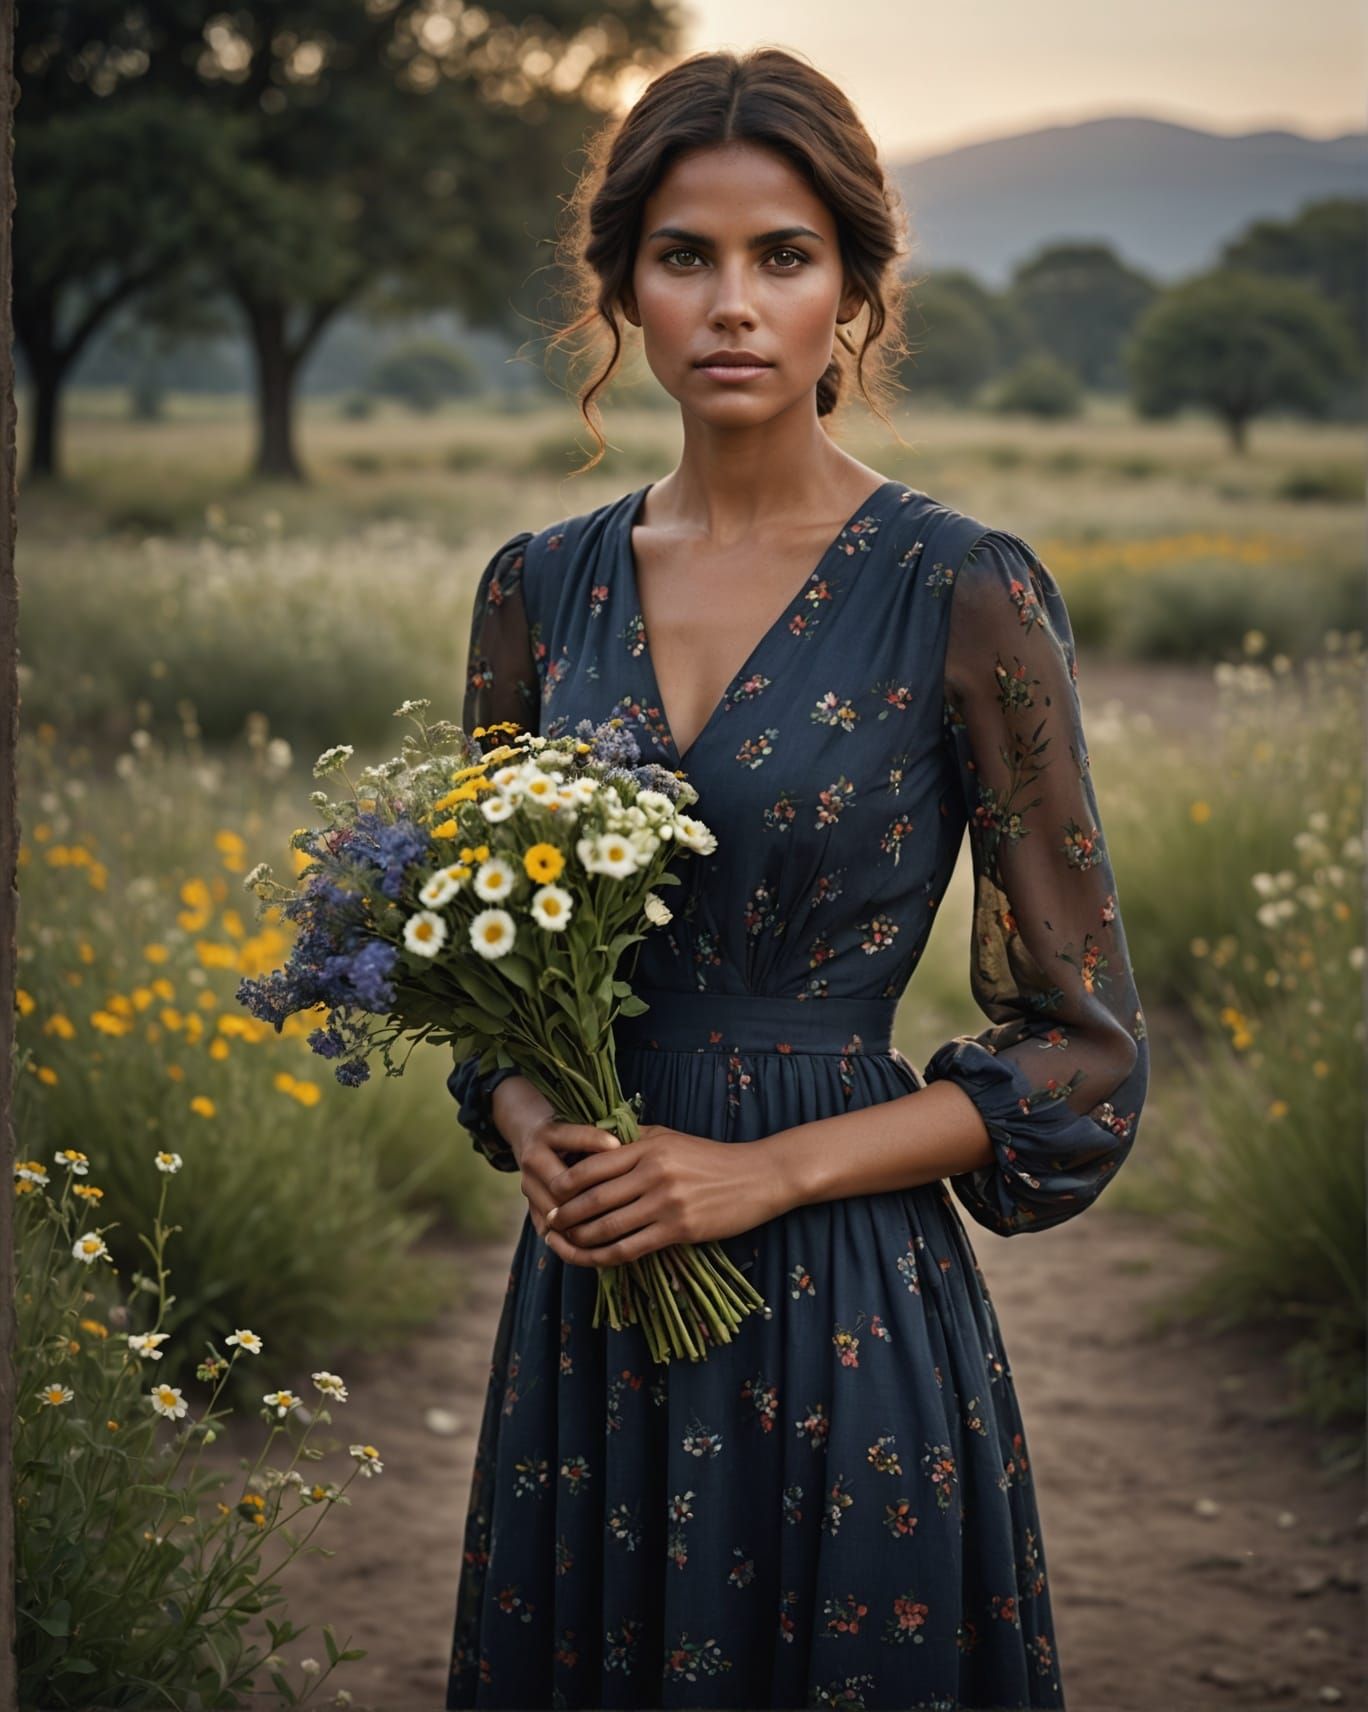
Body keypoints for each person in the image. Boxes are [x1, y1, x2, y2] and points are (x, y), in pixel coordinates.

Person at [444, 45, 1149, 1712]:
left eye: (784, 256)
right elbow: (481, 973)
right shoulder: (536, 590)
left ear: (855, 292)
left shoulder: (962, 587)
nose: (733, 305)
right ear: (624, 283)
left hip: (843, 1297)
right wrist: (541, 1124)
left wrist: (759, 1180)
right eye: (685, 256)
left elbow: (1083, 1057)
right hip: (599, 1286)